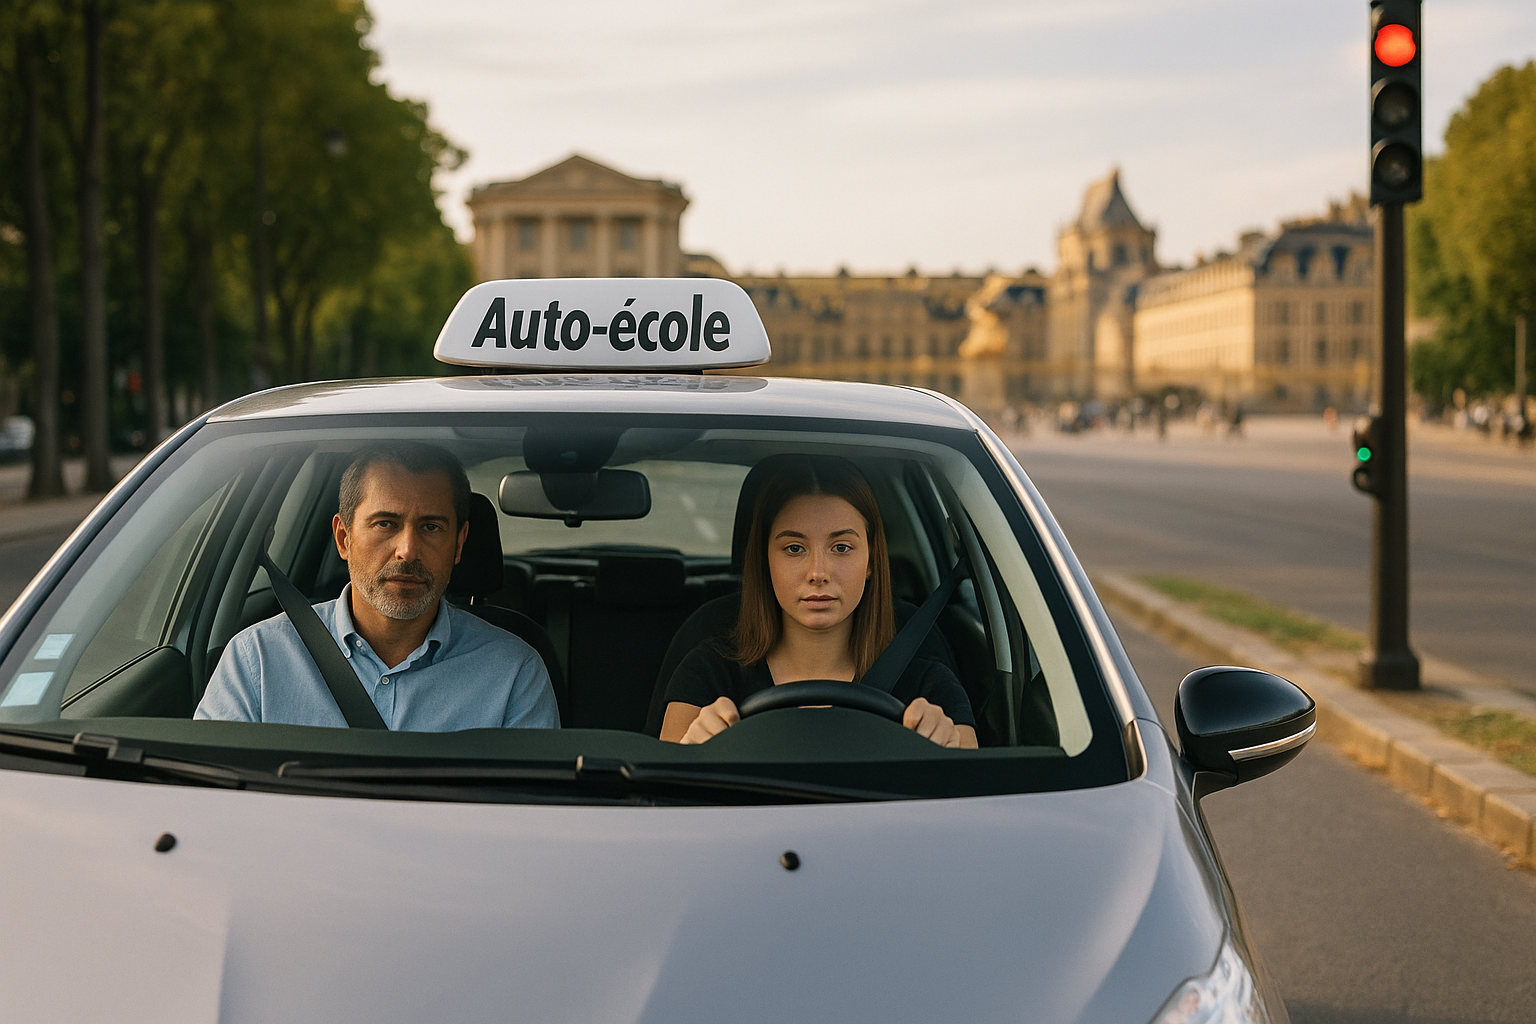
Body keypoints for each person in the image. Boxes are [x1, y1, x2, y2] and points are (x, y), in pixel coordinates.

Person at [196, 441, 559, 730]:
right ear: (343, 537)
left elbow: (533, 819)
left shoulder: (515, 675)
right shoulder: (256, 661)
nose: (407, 551)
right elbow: (207, 805)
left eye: (431, 527)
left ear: (460, 544)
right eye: (385, 524)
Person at [660, 456, 977, 748]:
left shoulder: (927, 686)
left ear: (871, 561)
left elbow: (979, 801)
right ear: (764, 560)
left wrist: (947, 752)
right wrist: (692, 755)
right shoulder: (708, 673)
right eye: (794, 548)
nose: (818, 573)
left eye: (841, 547)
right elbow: (661, 800)